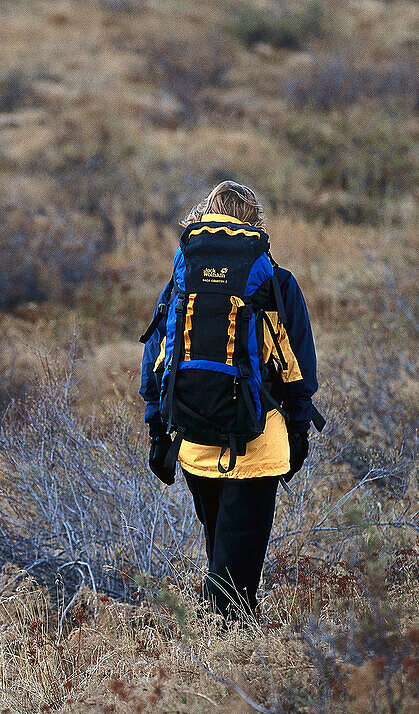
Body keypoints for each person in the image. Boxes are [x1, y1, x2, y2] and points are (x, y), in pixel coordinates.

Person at [139, 180, 323, 618]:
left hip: (194, 437)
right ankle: (230, 651)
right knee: (236, 576)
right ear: (254, 222)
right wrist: (299, 429)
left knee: (220, 550)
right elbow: (297, 365)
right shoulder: (274, 281)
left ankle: (213, 642)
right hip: (258, 442)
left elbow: (156, 358)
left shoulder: (184, 279)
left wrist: (156, 427)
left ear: (204, 216)